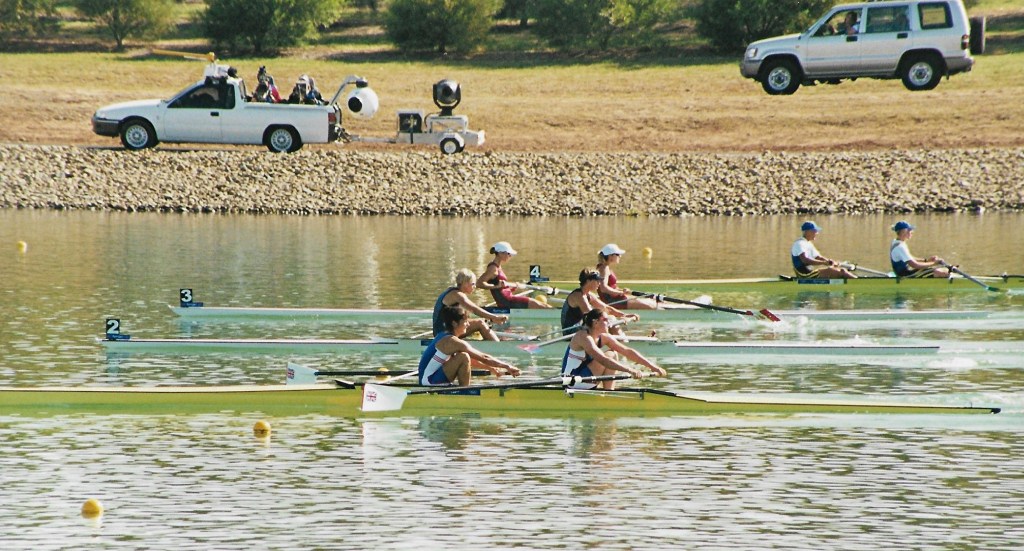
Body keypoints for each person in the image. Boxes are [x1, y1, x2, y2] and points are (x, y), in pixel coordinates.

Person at [561, 309, 666, 390]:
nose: (609, 322)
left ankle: (609, 391)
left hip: (586, 379)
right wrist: (630, 370)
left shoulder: (604, 337)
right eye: (605, 320)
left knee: (612, 354)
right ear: (595, 322)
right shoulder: (583, 337)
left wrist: (653, 367)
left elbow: (627, 351)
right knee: (608, 357)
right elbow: (603, 360)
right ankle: (607, 393)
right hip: (572, 381)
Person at [418, 305, 521, 386]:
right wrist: (507, 366)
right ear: (454, 323)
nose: (468, 324)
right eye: (465, 321)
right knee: (463, 356)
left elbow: (471, 360)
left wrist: (490, 368)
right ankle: (465, 392)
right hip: (429, 381)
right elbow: (484, 357)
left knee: (463, 356)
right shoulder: (452, 341)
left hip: (430, 378)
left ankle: (463, 390)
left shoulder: (444, 335)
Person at [432, 268, 509, 340]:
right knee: (480, 323)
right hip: (442, 332)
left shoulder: (452, 291)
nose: (474, 287)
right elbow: (474, 309)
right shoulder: (457, 295)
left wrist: (489, 318)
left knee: (477, 321)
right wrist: (494, 317)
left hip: (445, 328)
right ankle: (497, 345)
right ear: (465, 283)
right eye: (473, 284)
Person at [562, 268, 639, 335]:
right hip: (570, 332)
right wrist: (613, 319)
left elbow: (606, 308)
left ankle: (620, 340)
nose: (599, 283)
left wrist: (624, 315)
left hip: (582, 328)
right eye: (597, 280)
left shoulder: (589, 295)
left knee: (609, 319)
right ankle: (619, 342)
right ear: (588, 281)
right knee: (609, 319)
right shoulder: (578, 296)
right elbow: (592, 315)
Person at [477, 241, 551, 309]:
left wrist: (511, 287)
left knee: (542, 305)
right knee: (542, 306)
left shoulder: (497, 266)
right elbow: (479, 283)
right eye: (508, 254)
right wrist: (496, 286)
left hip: (508, 299)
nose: (510, 256)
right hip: (507, 302)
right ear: (500, 253)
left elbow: (500, 289)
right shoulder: (493, 268)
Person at [596, 243, 656, 309]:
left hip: (615, 298)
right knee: (651, 305)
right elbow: (603, 288)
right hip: (613, 301)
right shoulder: (603, 269)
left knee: (650, 301)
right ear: (611, 256)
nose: (620, 256)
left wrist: (622, 290)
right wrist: (619, 292)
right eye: (618, 254)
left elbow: (610, 287)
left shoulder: (604, 267)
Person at [791, 221, 857, 278]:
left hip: (810, 272)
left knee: (840, 270)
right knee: (839, 271)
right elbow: (805, 260)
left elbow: (818, 257)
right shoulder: (799, 244)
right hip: (804, 275)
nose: (817, 233)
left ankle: (854, 280)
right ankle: (857, 282)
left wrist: (830, 262)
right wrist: (824, 263)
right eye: (815, 231)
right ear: (808, 232)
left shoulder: (808, 243)